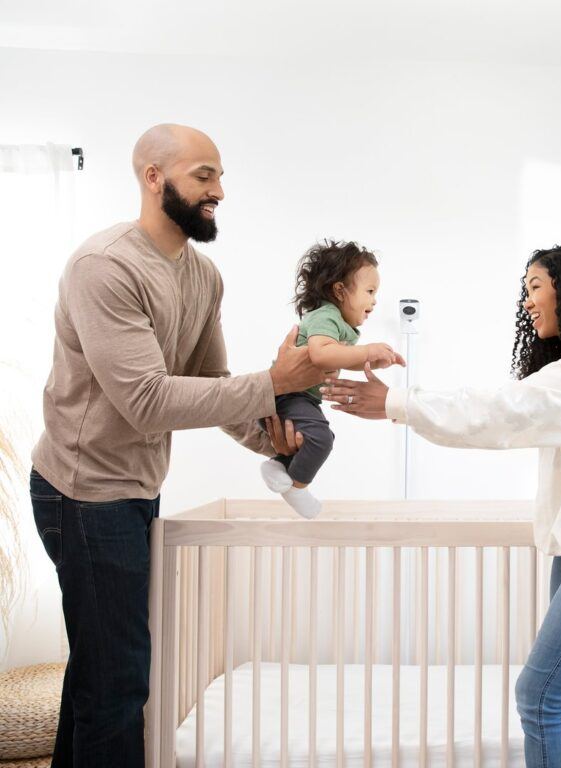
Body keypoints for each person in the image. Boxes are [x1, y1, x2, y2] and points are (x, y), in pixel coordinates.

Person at [29, 124, 326, 768]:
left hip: (134, 489)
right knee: (120, 680)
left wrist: (274, 442)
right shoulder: (103, 266)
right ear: (152, 176)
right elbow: (148, 400)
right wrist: (275, 381)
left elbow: (212, 386)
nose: (219, 189)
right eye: (204, 175)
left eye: (220, 176)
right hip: (82, 494)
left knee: (99, 667)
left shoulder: (202, 276)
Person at [320, 244, 561, 768]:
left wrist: (399, 403)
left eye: (535, 286)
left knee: (539, 695)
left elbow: (505, 411)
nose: (527, 301)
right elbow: (513, 409)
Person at [259, 239, 405, 518]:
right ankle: (297, 488)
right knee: (321, 439)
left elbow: (337, 357)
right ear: (339, 290)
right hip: (288, 395)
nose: (375, 300)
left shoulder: (336, 323)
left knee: (315, 438)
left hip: (297, 397)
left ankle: (278, 466)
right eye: (370, 291)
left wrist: (371, 360)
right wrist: (366, 350)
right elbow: (322, 356)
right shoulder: (327, 317)